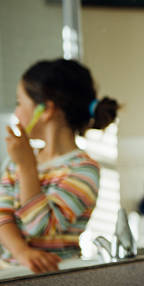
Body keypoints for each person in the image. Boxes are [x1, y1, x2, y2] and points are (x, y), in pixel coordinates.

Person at [0, 58, 118, 273]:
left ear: (45, 110)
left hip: (55, 281)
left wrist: (27, 168)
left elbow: (40, 227)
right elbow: (2, 214)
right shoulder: (17, 159)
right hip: (10, 274)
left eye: (19, 102)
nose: (16, 113)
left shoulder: (83, 170)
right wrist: (21, 253)